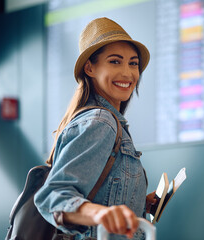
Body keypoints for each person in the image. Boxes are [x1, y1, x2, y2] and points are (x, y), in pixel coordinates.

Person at [34, 17, 156, 239]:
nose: (128, 74)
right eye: (115, 62)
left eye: (133, 63)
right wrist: (101, 214)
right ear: (89, 68)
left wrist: (138, 201)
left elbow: (100, 193)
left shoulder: (106, 121)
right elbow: (53, 196)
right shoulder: (101, 121)